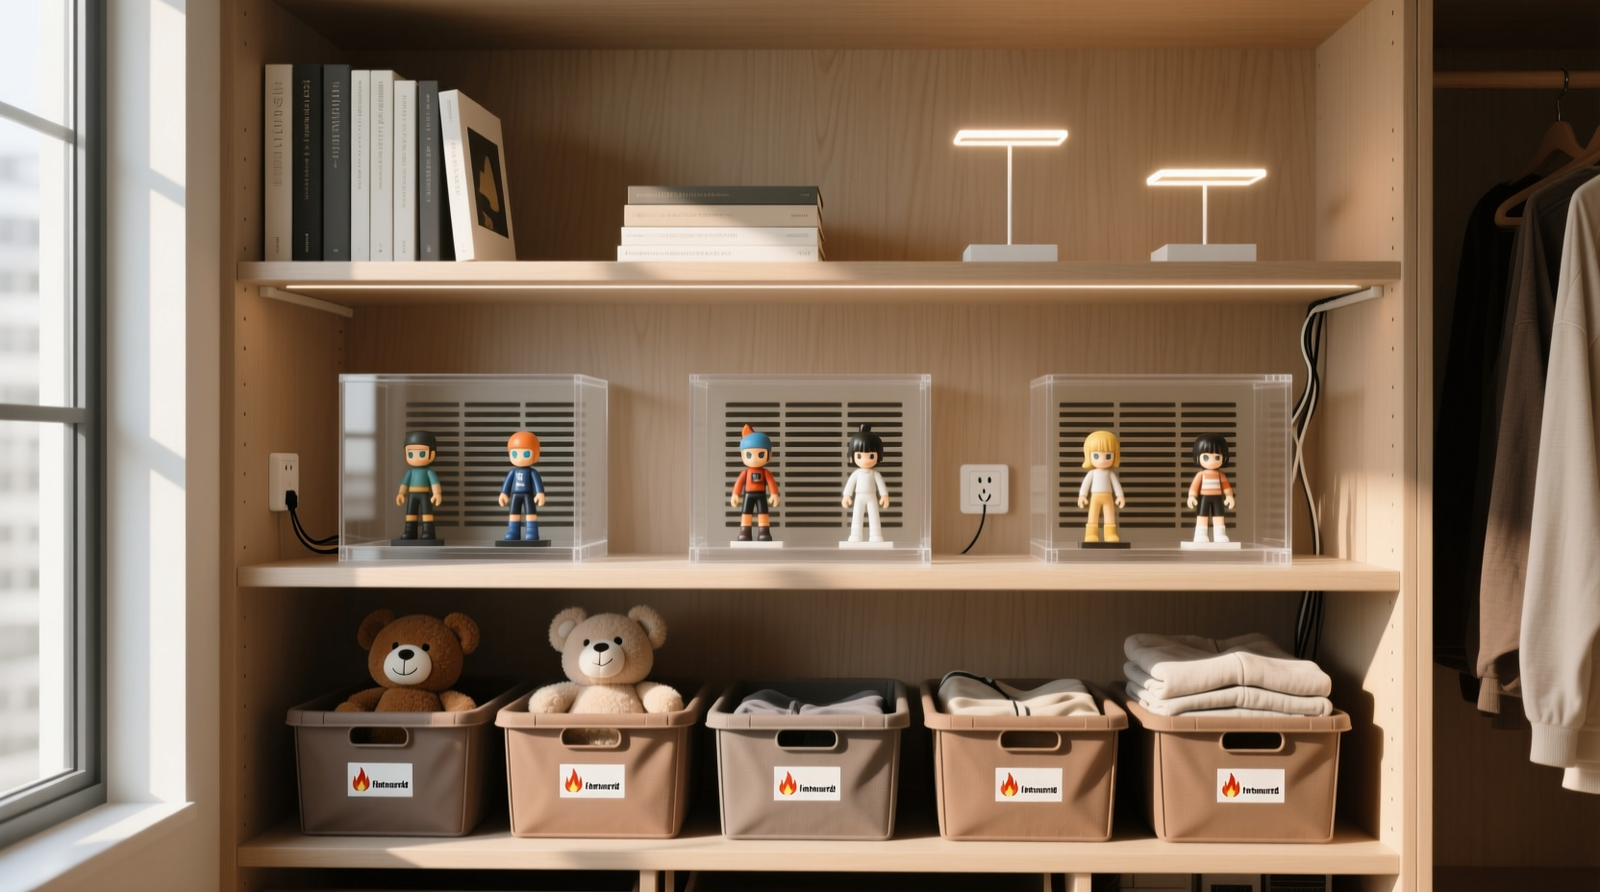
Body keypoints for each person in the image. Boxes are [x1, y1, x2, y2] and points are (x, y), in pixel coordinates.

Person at [841, 423, 892, 543]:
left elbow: (881, 485)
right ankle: (855, 535)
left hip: (872, 496)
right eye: (859, 455)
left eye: (871, 456)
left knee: (874, 515)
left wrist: (884, 495)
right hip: (859, 496)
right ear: (852, 456)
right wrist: (847, 495)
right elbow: (850, 484)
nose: (865, 459)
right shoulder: (857, 474)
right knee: (856, 516)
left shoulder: (875, 474)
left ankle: (876, 535)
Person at [730, 424, 781, 542]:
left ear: (769, 455)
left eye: (761, 454)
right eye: (749, 454)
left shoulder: (765, 472)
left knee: (763, 513)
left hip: (761, 495)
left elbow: (771, 483)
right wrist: (735, 494)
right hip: (748, 495)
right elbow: (738, 483)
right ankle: (745, 532)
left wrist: (774, 494)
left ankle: (764, 532)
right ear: (742, 455)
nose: (754, 458)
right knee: (746, 513)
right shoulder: (745, 473)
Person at [1186, 432, 1237, 543]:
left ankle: (1220, 535)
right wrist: (1192, 496)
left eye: (1217, 457)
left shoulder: (1221, 475)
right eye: (1206, 457)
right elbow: (1194, 486)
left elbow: (1226, 486)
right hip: (1204, 497)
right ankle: (1201, 534)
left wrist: (1229, 496)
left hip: (1217, 498)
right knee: (1202, 515)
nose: (1212, 461)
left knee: (1219, 515)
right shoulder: (1201, 475)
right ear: (1197, 456)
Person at [1077, 429, 1125, 543]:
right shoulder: (1092, 473)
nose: (1102, 460)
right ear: (1088, 455)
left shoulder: (1110, 473)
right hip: (1095, 497)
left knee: (1110, 515)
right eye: (1096, 456)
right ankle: (1091, 534)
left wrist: (1120, 496)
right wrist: (1082, 495)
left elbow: (1116, 485)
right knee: (1092, 515)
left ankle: (1111, 534)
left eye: (1108, 456)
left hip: (1108, 497)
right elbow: (1085, 484)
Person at [394, 430, 443, 541]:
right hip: (412, 495)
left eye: (421, 453)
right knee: (410, 513)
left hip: (425, 494)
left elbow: (434, 483)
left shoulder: (429, 471)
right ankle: (410, 531)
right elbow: (404, 484)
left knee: (427, 514)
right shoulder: (410, 472)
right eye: (411, 454)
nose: (416, 458)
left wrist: (437, 493)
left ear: (432, 453)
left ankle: (428, 532)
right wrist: (401, 494)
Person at [498, 431, 547, 541]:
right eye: (515, 454)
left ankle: (531, 531)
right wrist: (504, 494)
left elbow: (537, 483)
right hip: (515, 495)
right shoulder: (512, 472)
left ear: (535, 454)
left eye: (526, 454)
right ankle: (513, 531)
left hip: (528, 495)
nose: (519, 458)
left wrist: (540, 493)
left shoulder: (532, 472)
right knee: (514, 513)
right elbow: (508, 483)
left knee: (530, 513)